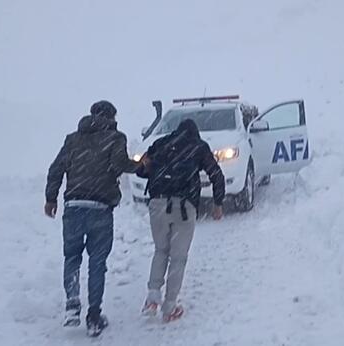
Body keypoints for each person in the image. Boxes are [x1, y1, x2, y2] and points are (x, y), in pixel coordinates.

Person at [44, 100, 139, 336]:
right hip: (100, 208)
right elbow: (119, 164)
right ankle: (94, 317)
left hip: (73, 206)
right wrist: (140, 165)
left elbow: (56, 169)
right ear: (112, 116)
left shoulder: (73, 139)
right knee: (97, 263)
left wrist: (51, 198)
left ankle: (73, 305)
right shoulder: (116, 137)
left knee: (72, 257)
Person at [135, 119, 225, 322]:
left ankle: (152, 298)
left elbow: (140, 170)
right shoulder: (198, 147)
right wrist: (218, 203)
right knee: (178, 257)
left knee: (160, 250)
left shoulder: (160, 143)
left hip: (157, 204)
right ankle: (169, 307)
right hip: (184, 207)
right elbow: (216, 175)